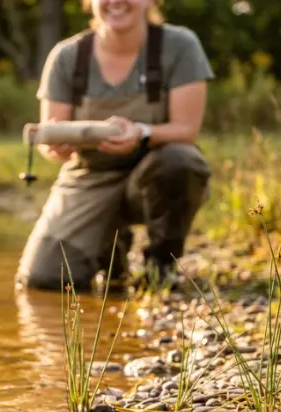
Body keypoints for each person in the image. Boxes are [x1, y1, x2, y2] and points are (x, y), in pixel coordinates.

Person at [15, 0, 214, 292]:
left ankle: (162, 265)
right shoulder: (66, 56)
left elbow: (187, 129)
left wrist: (141, 132)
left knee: (181, 161)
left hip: (155, 170)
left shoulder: (179, 45)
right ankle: (111, 247)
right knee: (44, 280)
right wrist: (56, 148)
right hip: (90, 177)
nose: (116, 1)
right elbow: (50, 141)